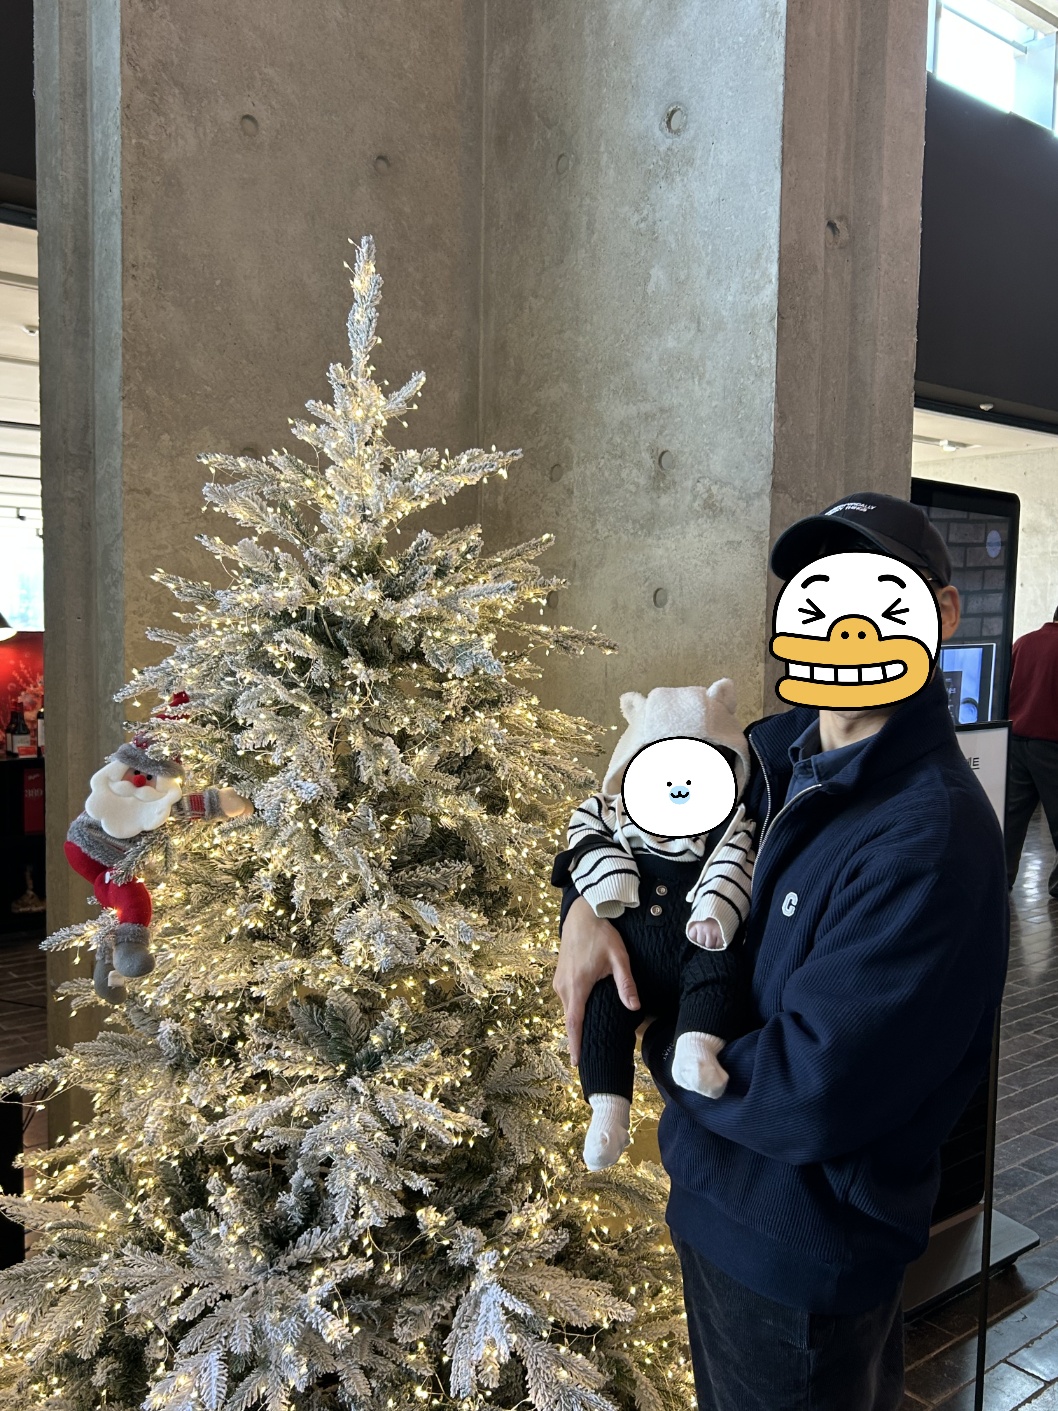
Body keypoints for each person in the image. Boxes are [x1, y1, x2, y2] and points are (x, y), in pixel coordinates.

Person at [552, 492, 1009, 1411]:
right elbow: (631, 825)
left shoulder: (930, 839)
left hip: (802, 1257)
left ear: (943, 613)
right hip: (714, 1194)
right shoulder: (765, 752)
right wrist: (581, 909)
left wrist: (653, 1026)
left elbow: (811, 1090)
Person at [1004, 605, 1058, 897]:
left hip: (1015, 741)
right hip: (1052, 743)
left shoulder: (1023, 643)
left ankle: (999, 880)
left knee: (1012, 819)